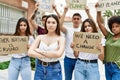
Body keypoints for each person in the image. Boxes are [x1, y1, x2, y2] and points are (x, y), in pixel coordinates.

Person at [28, 14, 65, 80]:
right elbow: (30, 52)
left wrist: (39, 51)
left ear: (57, 24)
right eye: (48, 22)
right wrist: (51, 54)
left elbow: (58, 54)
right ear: (45, 24)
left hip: (54, 69)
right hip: (39, 68)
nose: (50, 25)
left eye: (53, 22)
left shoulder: (61, 38)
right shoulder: (40, 37)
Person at [96, 3, 120, 80]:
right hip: (107, 66)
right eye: (112, 26)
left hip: (117, 68)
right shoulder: (109, 36)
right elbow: (100, 24)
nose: (114, 28)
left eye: (117, 26)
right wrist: (98, 11)